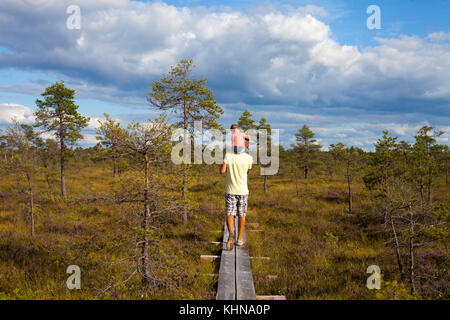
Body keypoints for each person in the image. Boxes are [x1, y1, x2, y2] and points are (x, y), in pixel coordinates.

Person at [220, 127, 253, 250]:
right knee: (241, 214)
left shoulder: (228, 156)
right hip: (243, 191)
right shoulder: (248, 158)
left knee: (230, 213)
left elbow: (222, 171)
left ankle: (230, 234)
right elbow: (248, 171)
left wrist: (225, 165)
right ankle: (239, 239)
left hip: (230, 190)